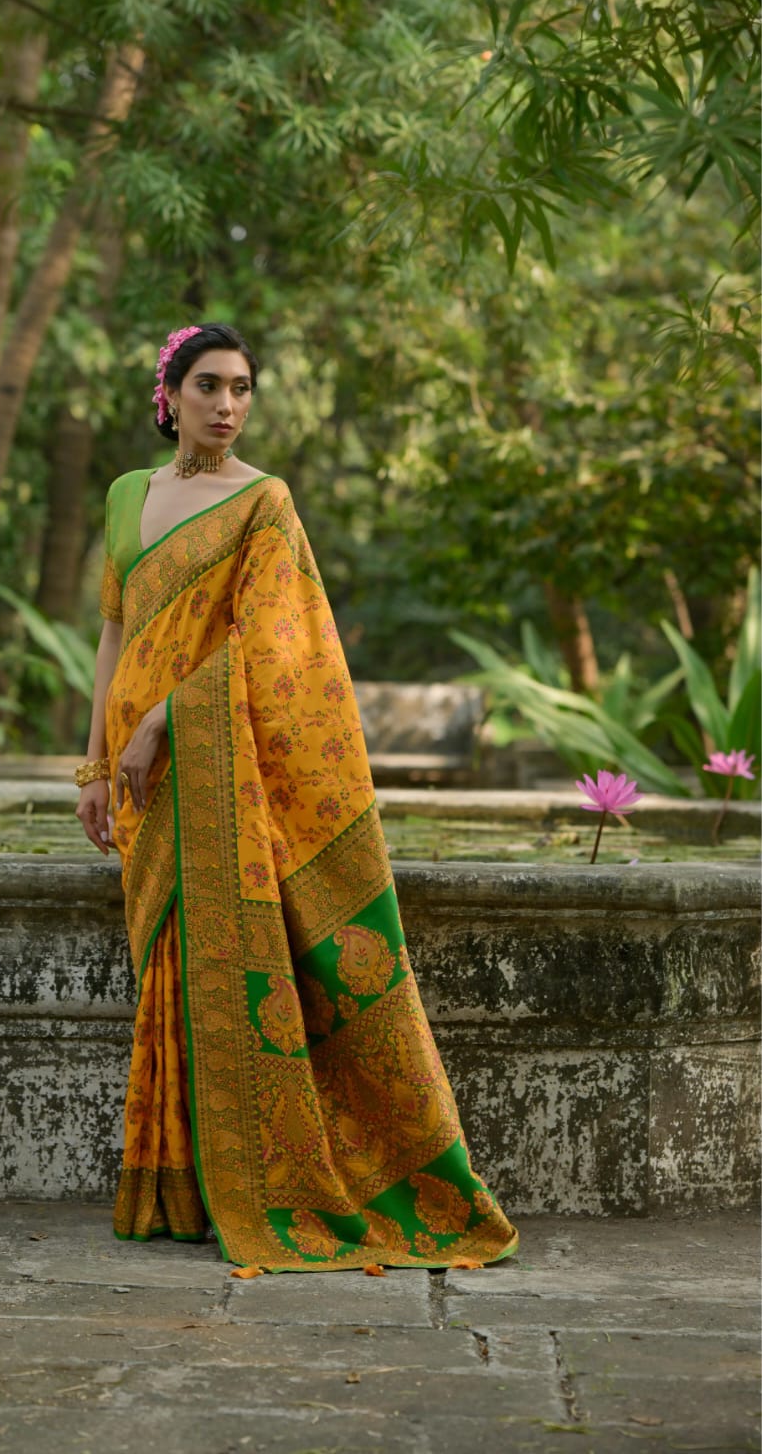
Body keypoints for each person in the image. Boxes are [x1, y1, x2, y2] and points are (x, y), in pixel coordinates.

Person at [75, 322, 518, 1274]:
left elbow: (282, 651)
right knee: (166, 965)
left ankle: (242, 1185)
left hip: (211, 765)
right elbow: (112, 637)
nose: (227, 405)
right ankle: (172, 1189)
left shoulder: (264, 505)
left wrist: (164, 721)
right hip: (141, 777)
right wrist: (93, 761)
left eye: (241, 389)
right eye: (208, 386)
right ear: (170, 394)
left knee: (215, 962)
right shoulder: (125, 498)